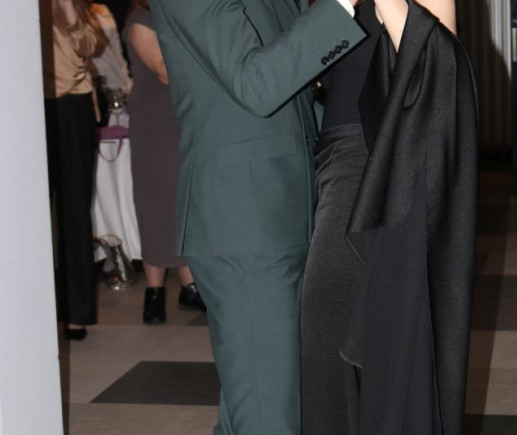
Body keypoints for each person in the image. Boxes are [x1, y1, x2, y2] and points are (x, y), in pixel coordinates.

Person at [148, 0, 366, 433]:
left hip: (284, 211)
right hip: (244, 223)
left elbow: (294, 104)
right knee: (270, 417)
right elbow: (257, 84)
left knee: (259, 409)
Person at [300, 0, 477, 434]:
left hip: (372, 158)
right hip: (327, 158)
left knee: (330, 322)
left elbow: (439, 62)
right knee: (346, 330)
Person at [123, 0, 206, 324]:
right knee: (155, 200)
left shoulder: (177, 14)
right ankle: (154, 291)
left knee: (184, 199)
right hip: (155, 121)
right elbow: (164, 69)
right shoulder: (141, 19)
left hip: (183, 115)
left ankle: (189, 285)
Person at [40, 0, 107, 340]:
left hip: (72, 104)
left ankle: (75, 312)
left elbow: (93, 45)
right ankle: (34, 307)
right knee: (28, 216)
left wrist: (68, 10)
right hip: (24, 102)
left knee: (75, 210)